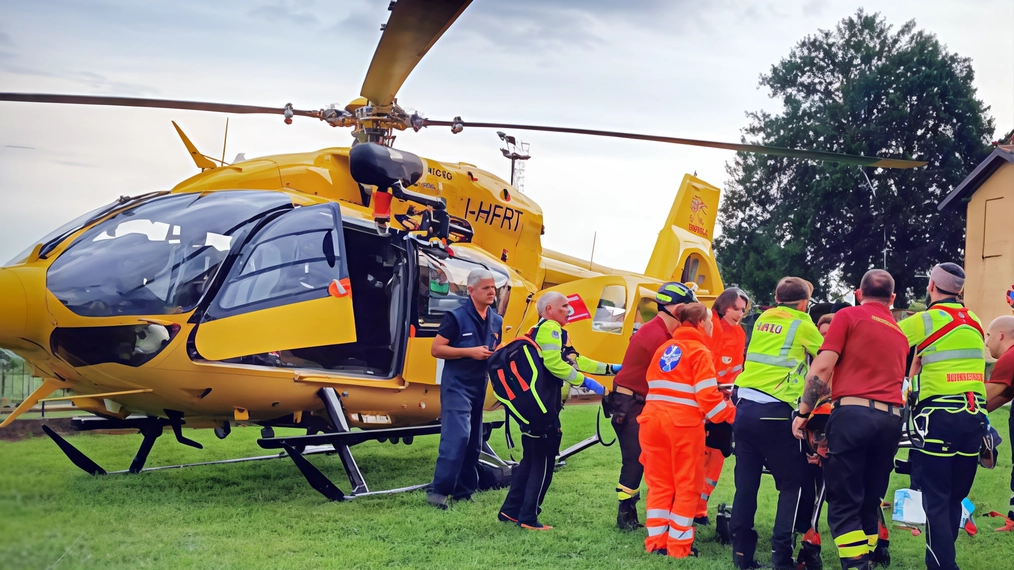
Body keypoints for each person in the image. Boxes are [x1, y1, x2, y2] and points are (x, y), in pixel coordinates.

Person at [793, 270, 909, 570]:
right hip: (892, 419)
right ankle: (867, 553)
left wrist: (804, 412)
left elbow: (822, 368)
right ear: (892, 298)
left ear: (858, 293)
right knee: (870, 497)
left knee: (843, 497)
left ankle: (857, 563)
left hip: (854, 415)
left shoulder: (849, 317)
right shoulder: (899, 333)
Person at [498, 291, 619, 530]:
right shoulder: (551, 328)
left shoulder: (546, 331)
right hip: (543, 407)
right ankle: (529, 518)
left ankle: (511, 511)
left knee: (530, 460)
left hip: (533, 407)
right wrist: (587, 383)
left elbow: (574, 361)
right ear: (549, 310)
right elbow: (554, 364)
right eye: (564, 306)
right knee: (543, 462)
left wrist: (610, 368)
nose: (569, 310)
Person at [895, 263, 989, 570]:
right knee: (953, 498)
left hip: (938, 418)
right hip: (974, 417)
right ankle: (943, 561)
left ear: (931, 286)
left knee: (935, 499)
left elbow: (886, 339)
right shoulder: (974, 320)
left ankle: (944, 566)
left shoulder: (926, 320)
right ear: (959, 290)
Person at [731, 277, 823, 570]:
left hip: (743, 408)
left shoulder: (762, 319)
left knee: (746, 484)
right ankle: (782, 557)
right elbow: (828, 358)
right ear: (805, 303)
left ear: (775, 296)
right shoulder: (803, 322)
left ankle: (742, 556)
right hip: (776, 411)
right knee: (792, 483)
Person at [640, 302, 735, 558]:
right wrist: (732, 413)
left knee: (659, 484)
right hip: (682, 426)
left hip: (650, 422)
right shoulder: (699, 350)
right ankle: (679, 547)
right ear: (702, 322)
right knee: (687, 486)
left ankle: (657, 542)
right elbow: (707, 397)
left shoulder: (664, 348)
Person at [608, 281, 697, 530]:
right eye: (689, 306)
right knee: (636, 458)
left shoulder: (662, 331)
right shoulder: (657, 336)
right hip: (630, 404)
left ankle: (639, 510)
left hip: (638, 402)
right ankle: (625, 513)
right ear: (676, 308)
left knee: (648, 457)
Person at [428, 268, 503, 509]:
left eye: (493, 287)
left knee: (474, 441)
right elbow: (437, 349)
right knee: (457, 436)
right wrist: (469, 352)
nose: (492, 292)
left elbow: (495, 349)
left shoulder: (497, 320)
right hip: (456, 386)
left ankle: (464, 491)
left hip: (479, 385)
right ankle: (438, 492)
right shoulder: (455, 317)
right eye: (486, 288)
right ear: (471, 291)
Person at [696, 287, 750, 525]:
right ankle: (688, 505)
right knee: (697, 454)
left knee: (718, 453)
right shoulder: (708, 325)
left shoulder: (739, 334)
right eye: (736, 309)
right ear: (725, 305)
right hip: (700, 400)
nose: (740, 314)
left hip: (723, 400)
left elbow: (737, 368)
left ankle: (701, 507)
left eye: (742, 310)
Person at [985, 315, 1014, 530]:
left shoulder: (1010, 357)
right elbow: (1003, 395)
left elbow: (983, 396)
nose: (986, 342)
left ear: (1000, 335)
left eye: (988, 335)